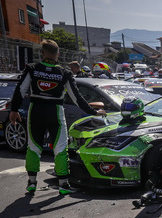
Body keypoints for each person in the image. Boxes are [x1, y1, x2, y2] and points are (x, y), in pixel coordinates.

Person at [9, 39, 105, 195]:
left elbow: (20, 91)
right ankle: (63, 185)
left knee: (33, 146)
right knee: (60, 148)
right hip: (55, 110)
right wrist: (94, 112)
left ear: (42, 53)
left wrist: (14, 110)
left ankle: (32, 183)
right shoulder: (64, 73)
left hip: (36, 110)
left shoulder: (32, 69)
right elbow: (77, 97)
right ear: (58, 54)